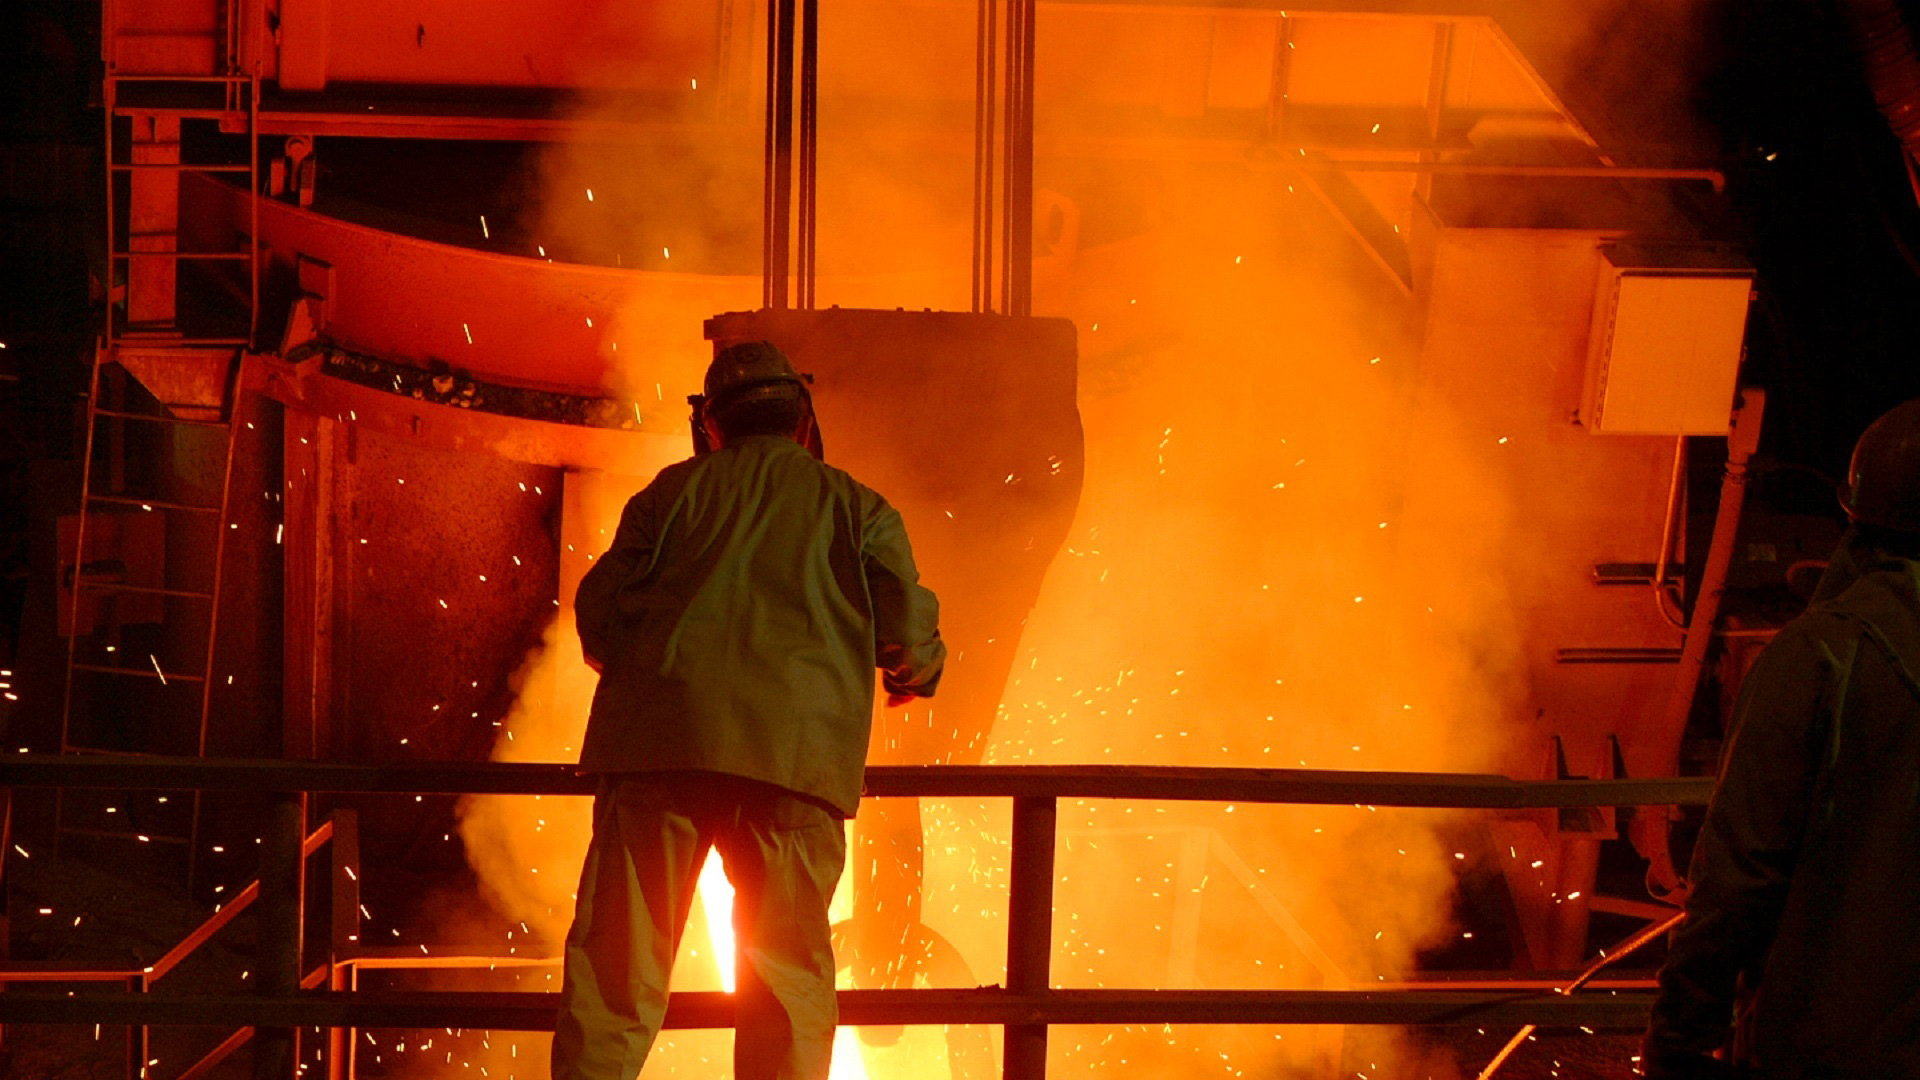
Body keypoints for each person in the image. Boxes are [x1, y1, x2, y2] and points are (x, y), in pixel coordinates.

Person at [552, 341, 946, 1080]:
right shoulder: (857, 507)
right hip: (792, 768)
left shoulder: (668, 496)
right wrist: (912, 673)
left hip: (656, 759)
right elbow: (908, 629)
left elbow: (600, 614)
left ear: (715, 427)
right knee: (786, 980)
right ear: (803, 421)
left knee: (616, 972)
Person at [1641, 399, 1920, 1079]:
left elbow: (1739, 876)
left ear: (1857, 516)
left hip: (1834, 1048)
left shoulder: (1825, 654)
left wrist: (1681, 1037)